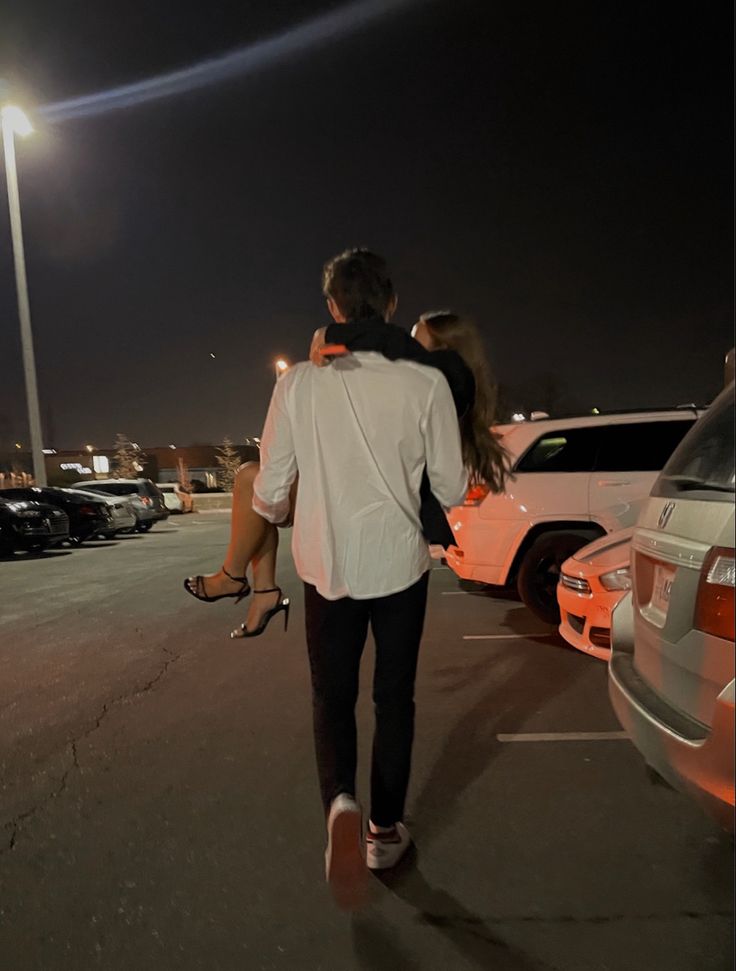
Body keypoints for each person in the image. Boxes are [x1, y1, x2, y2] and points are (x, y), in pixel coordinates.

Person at [250, 247, 468, 908]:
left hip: (327, 569)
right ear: (392, 304)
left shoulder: (297, 387)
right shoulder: (426, 383)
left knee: (331, 697)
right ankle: (382, 829)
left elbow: (269, 488)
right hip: (400, 566)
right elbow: (452, 487)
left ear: (334, 308)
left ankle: (340, 801)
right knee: (392, 699)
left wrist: (270, 509)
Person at [183, 313, 509, 635]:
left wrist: (332, 334)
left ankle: (237, 578)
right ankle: (261, 590)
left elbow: (383, 356)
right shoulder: (429, 377)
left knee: (252, 480)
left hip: (377, 502)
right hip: (370, 495)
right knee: (257, 483)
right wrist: (332, 347)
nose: (407, 342)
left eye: (416, 335)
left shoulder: (445, 374)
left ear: (442, 344)